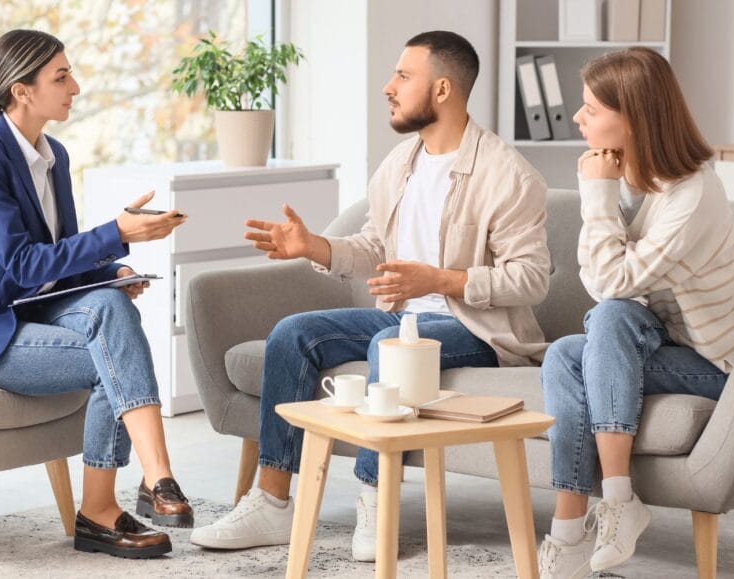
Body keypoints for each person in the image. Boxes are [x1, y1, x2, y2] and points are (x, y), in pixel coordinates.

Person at [190, 30, 551, 562]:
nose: (389, 86)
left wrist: (440, 280)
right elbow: (376, 244)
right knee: (293, 334)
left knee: (389, 347)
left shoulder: (508, 175)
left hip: (476, 329)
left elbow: (531, 278)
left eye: (404, 76)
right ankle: (271, 501)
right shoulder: (401, 164)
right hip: (403, 316)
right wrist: (312, 245)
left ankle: (374, 498)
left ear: (444, 88)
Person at [0, 29, 193, 560]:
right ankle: (120, 501)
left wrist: (114, 267)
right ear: (21, 90)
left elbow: (57, 257)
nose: (76, 87)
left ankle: (139, 490)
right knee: (114, 354)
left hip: (25, 310)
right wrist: (116, 231)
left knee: (112, 308)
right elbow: (20, 265)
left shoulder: (53, 155)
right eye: (61, 77)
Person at [536, 47, 734, 578]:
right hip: (668, 343)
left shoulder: (692, 195)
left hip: (718, 366)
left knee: (611, 315)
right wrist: (609, 190)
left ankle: (618, 500)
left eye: (591, 109)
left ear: (633, 117)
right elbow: (611, 283)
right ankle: (569, 530)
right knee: (565, 354)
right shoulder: (639, 184)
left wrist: (595, 192)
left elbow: (607, 282)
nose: (577, 119)